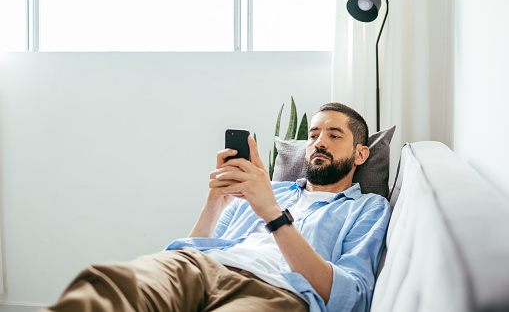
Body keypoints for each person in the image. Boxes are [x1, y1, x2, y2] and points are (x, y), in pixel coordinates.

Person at [44, 102, 391, 312]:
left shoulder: (367, 208)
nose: (319, 141)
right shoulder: (270, 190)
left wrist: (272, 213)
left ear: (361, 154)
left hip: (275, 290)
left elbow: (351, 297)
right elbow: (193, 246)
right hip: (199, 269)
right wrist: (214, 204)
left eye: (334, 135)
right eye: (314, 134)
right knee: (109, 283)